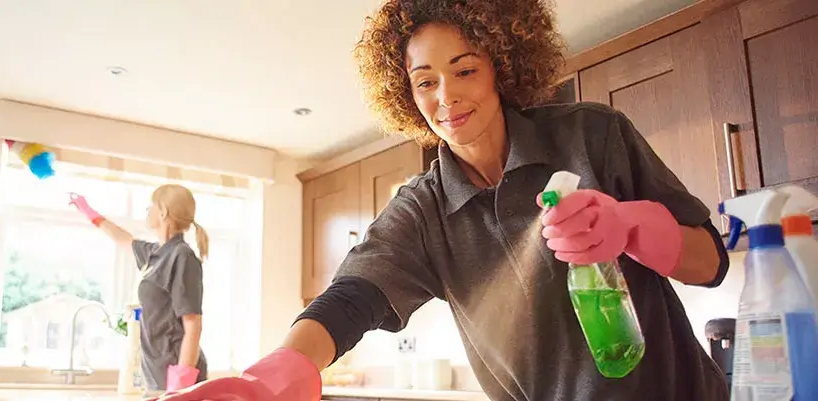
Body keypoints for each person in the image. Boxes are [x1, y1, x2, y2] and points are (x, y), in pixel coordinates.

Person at [157, 0, 731, 400]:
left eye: (464, 70)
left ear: (498, 68)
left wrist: (630, 227)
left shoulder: (591, 136)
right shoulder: (424, 209)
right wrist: (273, 376)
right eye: (424, 81)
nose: (447, 97)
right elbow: (350, 299)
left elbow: (710, 262)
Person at [69, 184, 210, 393]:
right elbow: (123, 238)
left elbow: (193, 326)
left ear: (163, 211)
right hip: (154, 376)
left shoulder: (182, 257)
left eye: (151, 206)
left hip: (175, 379)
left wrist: (179, 387)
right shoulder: (155, 254)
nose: (147, 210)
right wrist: (90, 213)